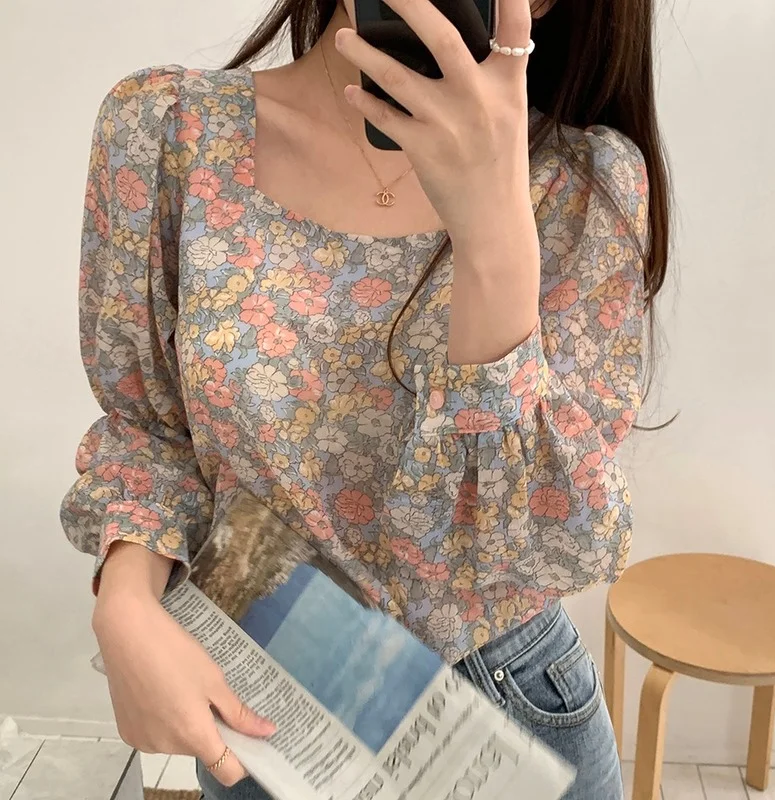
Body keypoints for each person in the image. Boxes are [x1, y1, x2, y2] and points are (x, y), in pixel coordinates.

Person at [59, 0, 669, 793]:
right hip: (269, 704)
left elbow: (533, 545)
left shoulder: (585, 187)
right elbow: (149, 428)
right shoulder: (167, 130)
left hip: (499, 719)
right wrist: (126, 600)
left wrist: (494, 231)